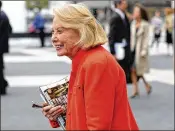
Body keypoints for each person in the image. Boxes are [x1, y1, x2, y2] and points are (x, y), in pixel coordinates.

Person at [41, 4, 139, 130]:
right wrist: (61, 112)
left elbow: (99, 125)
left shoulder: (95, 63)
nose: (53, 38)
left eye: (60, 31)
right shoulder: (86, 61)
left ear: (81, 30)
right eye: (53, 31)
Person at [130, 4, 152, 98]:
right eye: (134, 11)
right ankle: (140, 88)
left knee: (136, 70)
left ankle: (138, 89)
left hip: (140, 51)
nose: (135, 13)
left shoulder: (145, 24)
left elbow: (147, 39)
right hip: (132, 50)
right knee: (134, 70)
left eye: (137, 11)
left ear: (141, 13)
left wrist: (144, 50)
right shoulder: (133, 23)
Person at [109, 0, 133, 83]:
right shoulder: (115, 17)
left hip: (125, 47)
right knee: (119, 72)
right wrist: (113, 52)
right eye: (124, 3)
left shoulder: (123, 14)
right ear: (119, 4)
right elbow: (111, 35)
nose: (126, 4)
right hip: (118, 48)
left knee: (124, 71)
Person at [0, 1, 12, 95]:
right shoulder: (3, 15)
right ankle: (3, 84)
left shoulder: (1, 16)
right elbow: (11, 29)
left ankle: (3, 86)